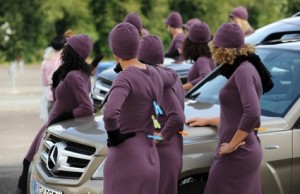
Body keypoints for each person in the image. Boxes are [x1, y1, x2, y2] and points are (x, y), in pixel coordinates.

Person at [186, 22, 273, 194]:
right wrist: (208, 120)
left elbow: (253, 112)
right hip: (240, 151)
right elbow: (238, 113)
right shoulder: (244, 67)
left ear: (221, 49)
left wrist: (232, 145)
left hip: (237, 153)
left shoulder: (243, 71)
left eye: (215, 48)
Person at [103, 22, 178, 194]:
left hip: (125, 158)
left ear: (114, 52)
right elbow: (172, 75)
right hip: (150, 156)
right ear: (137, 47)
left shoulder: (124, 78)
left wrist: (114, 136)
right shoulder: (156, 73)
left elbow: (109, 114)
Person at [15, 34, 94, 194]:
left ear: (73, 52)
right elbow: (63, 98)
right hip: (54, 123)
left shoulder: (74, 76)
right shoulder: (79, 73)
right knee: (29, 162)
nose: (64, 49)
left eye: (68, 47)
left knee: (31, 163)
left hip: (56, 124)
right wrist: (56, 82)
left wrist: (63, 117)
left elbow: (87, 107)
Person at [138, 35, 185, 194]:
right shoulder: (170, 75)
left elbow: (177, 116)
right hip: (172, 149)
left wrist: (158, 137)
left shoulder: (159, 81)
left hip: (164, 153)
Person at [182, 22, 216, 91]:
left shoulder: (202, 60)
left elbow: (206, 77)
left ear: (190, 43)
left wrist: (181, 87)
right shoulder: (210, 58)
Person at [40, 35, 66, 121]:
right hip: (64, 96)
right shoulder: (66, 60)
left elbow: (44, 82)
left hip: (51, 96)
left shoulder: (45, 61)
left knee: (51, 124)